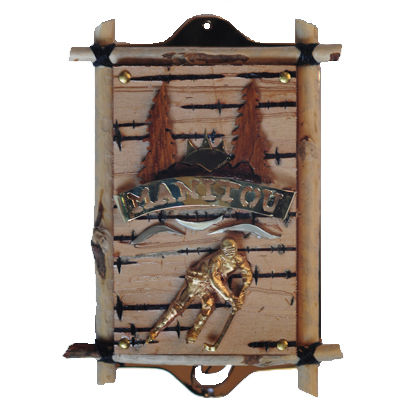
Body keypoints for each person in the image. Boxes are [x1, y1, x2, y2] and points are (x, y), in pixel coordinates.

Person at [146, 237, 253, 344]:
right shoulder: (216, 259)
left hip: (209, 287)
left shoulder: (239, 259)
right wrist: (230, 298)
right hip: (197, 280)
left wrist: (242, 292)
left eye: (232, 249)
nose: (230, 253)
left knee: (209, 306)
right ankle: (155, 331)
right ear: (221, 250)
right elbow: (214, 280)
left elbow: (247, 274)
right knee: (178, 307)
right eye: (227, 250)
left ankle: (194, 333)